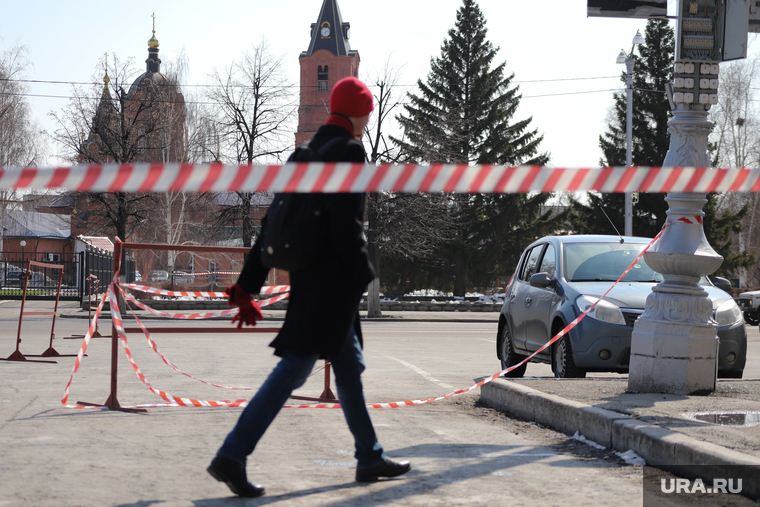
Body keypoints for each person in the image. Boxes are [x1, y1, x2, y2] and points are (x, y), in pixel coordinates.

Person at [207, 77, 411, 498]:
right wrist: (363, 277)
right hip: (330, 290)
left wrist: (249, 284)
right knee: (292, 373)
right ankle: (232, 454)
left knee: (349, 371)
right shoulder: (351, 152)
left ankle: (369, 456)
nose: (368, 119)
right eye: (367, 112)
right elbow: (346, 230)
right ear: (357, 112)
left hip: (309, 282)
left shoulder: (304, 153)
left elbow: (272, 225)